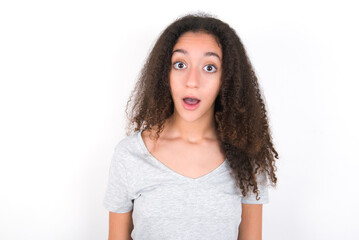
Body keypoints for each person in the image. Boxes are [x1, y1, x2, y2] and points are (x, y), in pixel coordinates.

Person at [103, 12, 278, 240]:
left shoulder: (246, 154)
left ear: (227, 79)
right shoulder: (130, 155)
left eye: (209, 67)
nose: (192, 81)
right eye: (180, 64)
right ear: (164, 74)